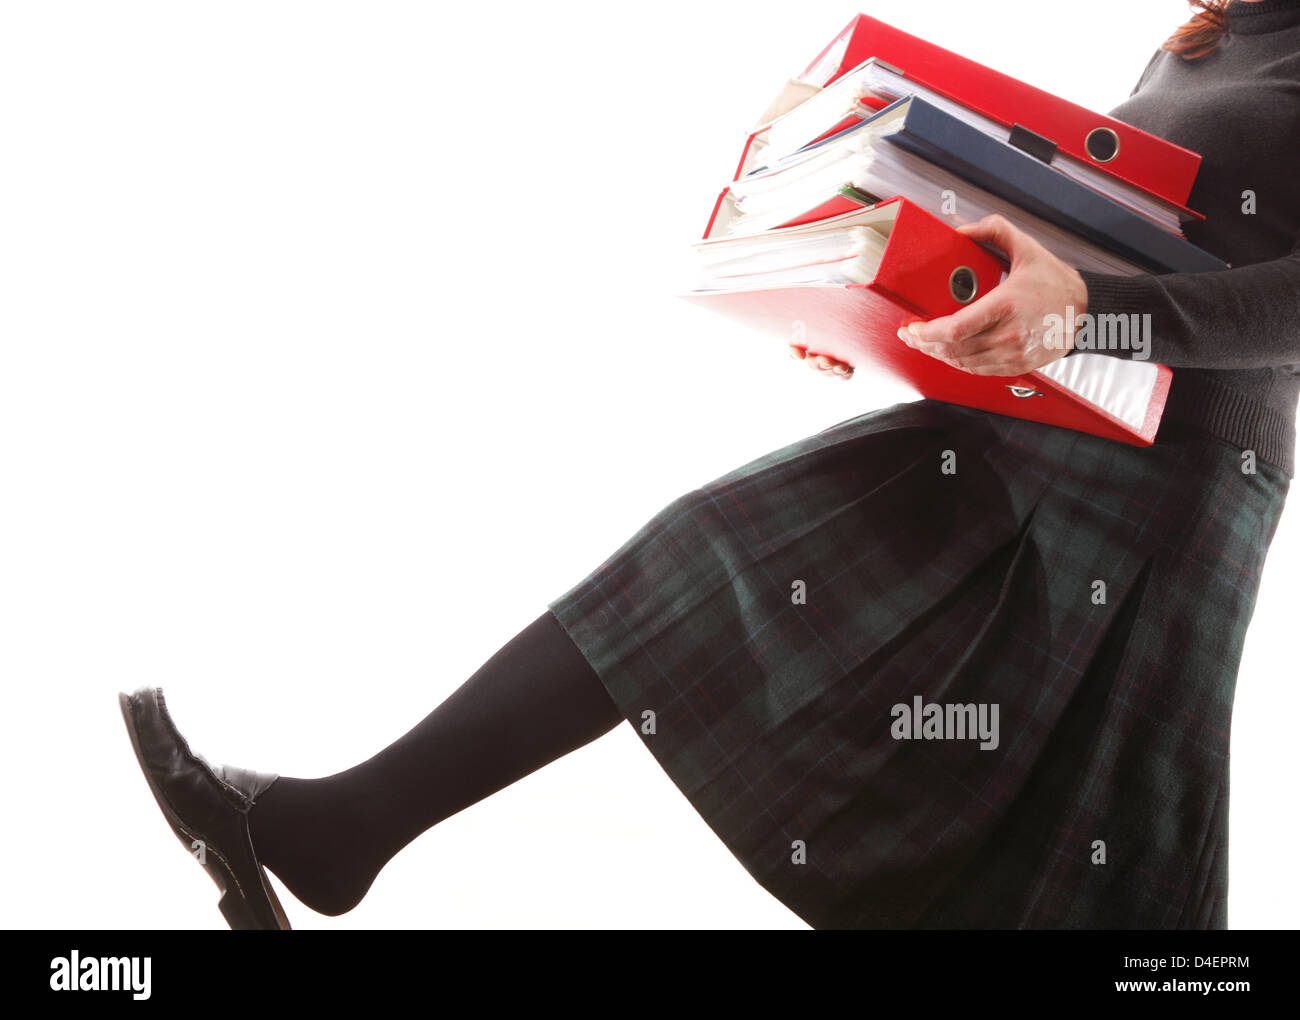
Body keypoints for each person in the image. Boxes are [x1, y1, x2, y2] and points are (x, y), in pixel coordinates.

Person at [120, 0, 1300, 929]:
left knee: (1088, 849)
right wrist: (887, 311)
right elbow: (1083, 239)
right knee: (711, 553)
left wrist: (1092, 317)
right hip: (1047, 409)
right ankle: (343, 830)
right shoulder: (1199, 41)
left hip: (1179, 477)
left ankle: (342, 830)